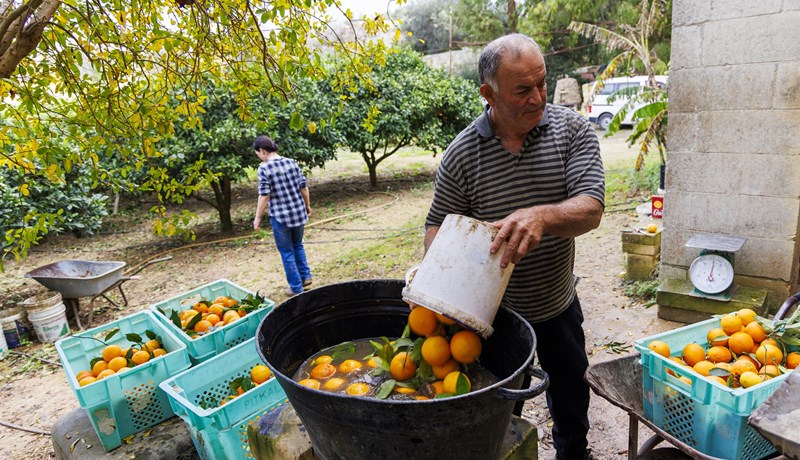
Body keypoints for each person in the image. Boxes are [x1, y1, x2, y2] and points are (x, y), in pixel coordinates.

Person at [424, 34, 604, 460]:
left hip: (556, 303)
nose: (538, 97)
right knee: (501, 407)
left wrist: (540, 215)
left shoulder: (571, 130)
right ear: (488, 93)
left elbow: (591, 207)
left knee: (570, 391)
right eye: (523, 89)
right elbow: (437, 225)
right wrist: (439, 278)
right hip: (496, 316)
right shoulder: (462, 154)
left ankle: (573, 454)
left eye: (542, 83)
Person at [253, 135, 313, 296]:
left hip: (280, 218)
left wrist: (258, 217)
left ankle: (296, 288)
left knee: (287, 252)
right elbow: (303, 188)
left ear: (263, 151)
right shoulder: (291, 162)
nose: (259, 157)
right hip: (298, 213)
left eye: (257, 153)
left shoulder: (264, 168)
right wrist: (307, 205)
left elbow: (264, 195)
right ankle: (306, 276)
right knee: (298, 245)